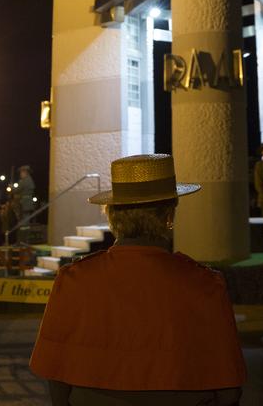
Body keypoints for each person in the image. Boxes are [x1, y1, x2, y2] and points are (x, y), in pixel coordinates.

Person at [30, 153, 246, 404]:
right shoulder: (205, 284)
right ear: (169, 214)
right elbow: (229, 387)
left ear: (111, 214)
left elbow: (55, 375)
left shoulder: (74, 280)